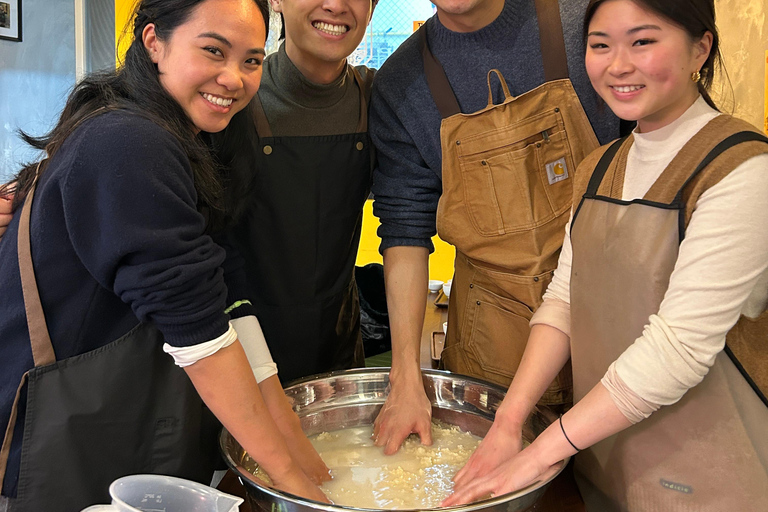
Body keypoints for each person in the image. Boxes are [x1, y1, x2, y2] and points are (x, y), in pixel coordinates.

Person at [0, 0, 330, 510]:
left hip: (120, 428)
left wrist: (301, 447)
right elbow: (199, 330)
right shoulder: (126, 142)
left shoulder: (194, 140)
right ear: (154, 42)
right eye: (213, 51)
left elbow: (226, 294)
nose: (233, 79)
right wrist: (295, 485)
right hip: (49, 441)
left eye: (252, 60)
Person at [443, 0, 768, 509]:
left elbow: (677, 349)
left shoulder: (743, 171)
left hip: (713, 478)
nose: (617, 65)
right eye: (600, 45)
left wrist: (537, 454)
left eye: (643, 41)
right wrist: (507, 423)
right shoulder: (599, 168)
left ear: (700, 48)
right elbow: (565, 301)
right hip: (608, 463)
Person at [369, 0, 621, 454]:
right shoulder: (400, 84)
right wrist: (405, 375)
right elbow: (404, 229)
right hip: (490, 361)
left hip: (616, 341)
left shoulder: (587, 26)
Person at [210, 0, 378, 384]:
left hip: (338, 341)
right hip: (241, 345)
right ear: (277, 1)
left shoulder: (375, 97)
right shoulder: (230, 99)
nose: (335, 5)